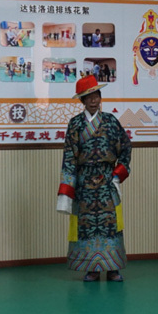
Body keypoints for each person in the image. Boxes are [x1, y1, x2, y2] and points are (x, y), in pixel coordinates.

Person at [56, 75, 132, 281]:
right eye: (88, 96)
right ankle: (92, 268)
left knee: (110, 224)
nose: (93, 100)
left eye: (96, 95)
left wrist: (118, 175)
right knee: (87, 226)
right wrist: (67, 189)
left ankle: (113, 267)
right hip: (84, 183)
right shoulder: (75, 124)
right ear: (82, 100)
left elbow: (125, 147)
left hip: (107, 181)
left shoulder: (110, 121)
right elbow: (69, 157)